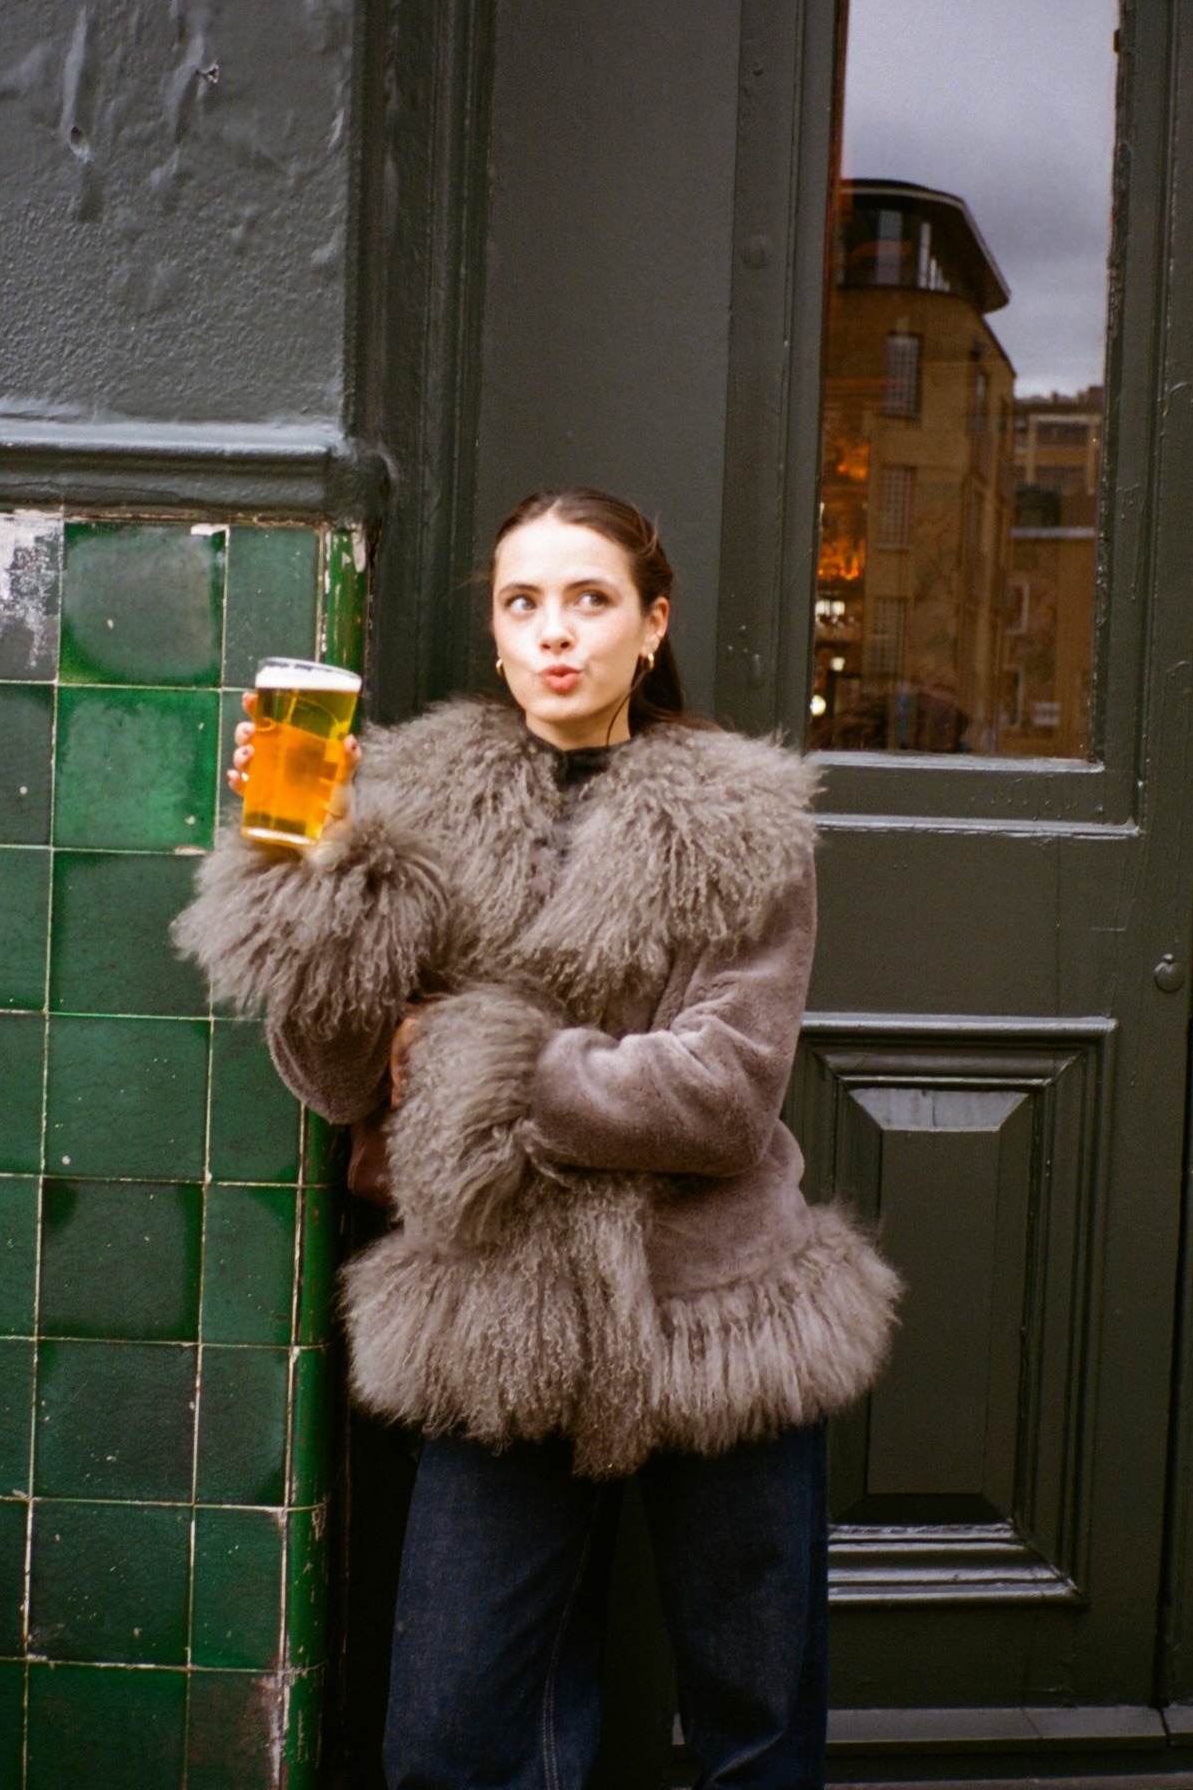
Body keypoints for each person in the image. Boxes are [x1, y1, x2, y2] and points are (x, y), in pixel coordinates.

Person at [175, 488, 901, 1790]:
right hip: (497, 1315)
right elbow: (343, 1079)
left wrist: (472, 1051)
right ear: (499, 636)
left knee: (757, 1725)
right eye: (524, 604)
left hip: (717, 1311)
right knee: (452, 1740)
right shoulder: (416, 806)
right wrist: (307, 880)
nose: (555, 633)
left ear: (648, 622)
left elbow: (721, 1093)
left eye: (590, 600)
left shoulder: (740, 821)